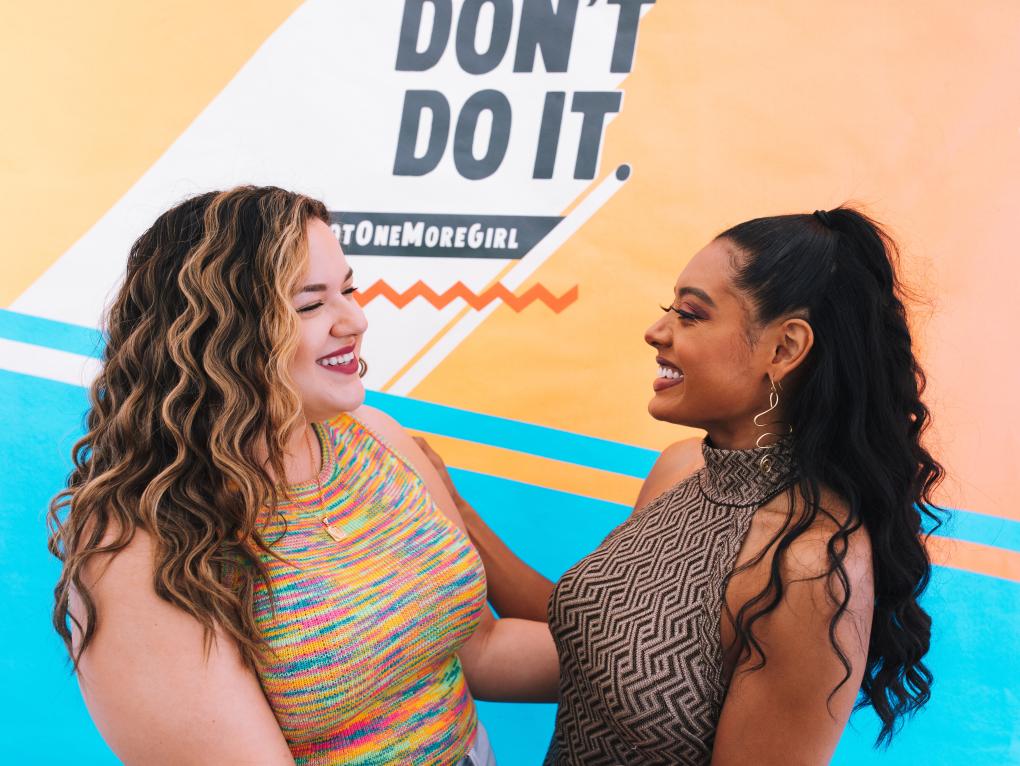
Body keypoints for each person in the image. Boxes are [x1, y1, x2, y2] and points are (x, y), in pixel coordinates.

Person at [47, 186, 558, 766]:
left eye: (349, 291)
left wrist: (649, 660)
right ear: (219, 334)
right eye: (311, 304)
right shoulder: (141, 547)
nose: (356, 320)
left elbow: (477, 650)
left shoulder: (375, 437)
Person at [419, 206, 943, 765]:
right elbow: (599, 633)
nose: (657, 331)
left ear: (784, 348)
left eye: (691, 315)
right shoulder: (680, 467)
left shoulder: (806, 568)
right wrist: (452, 508)